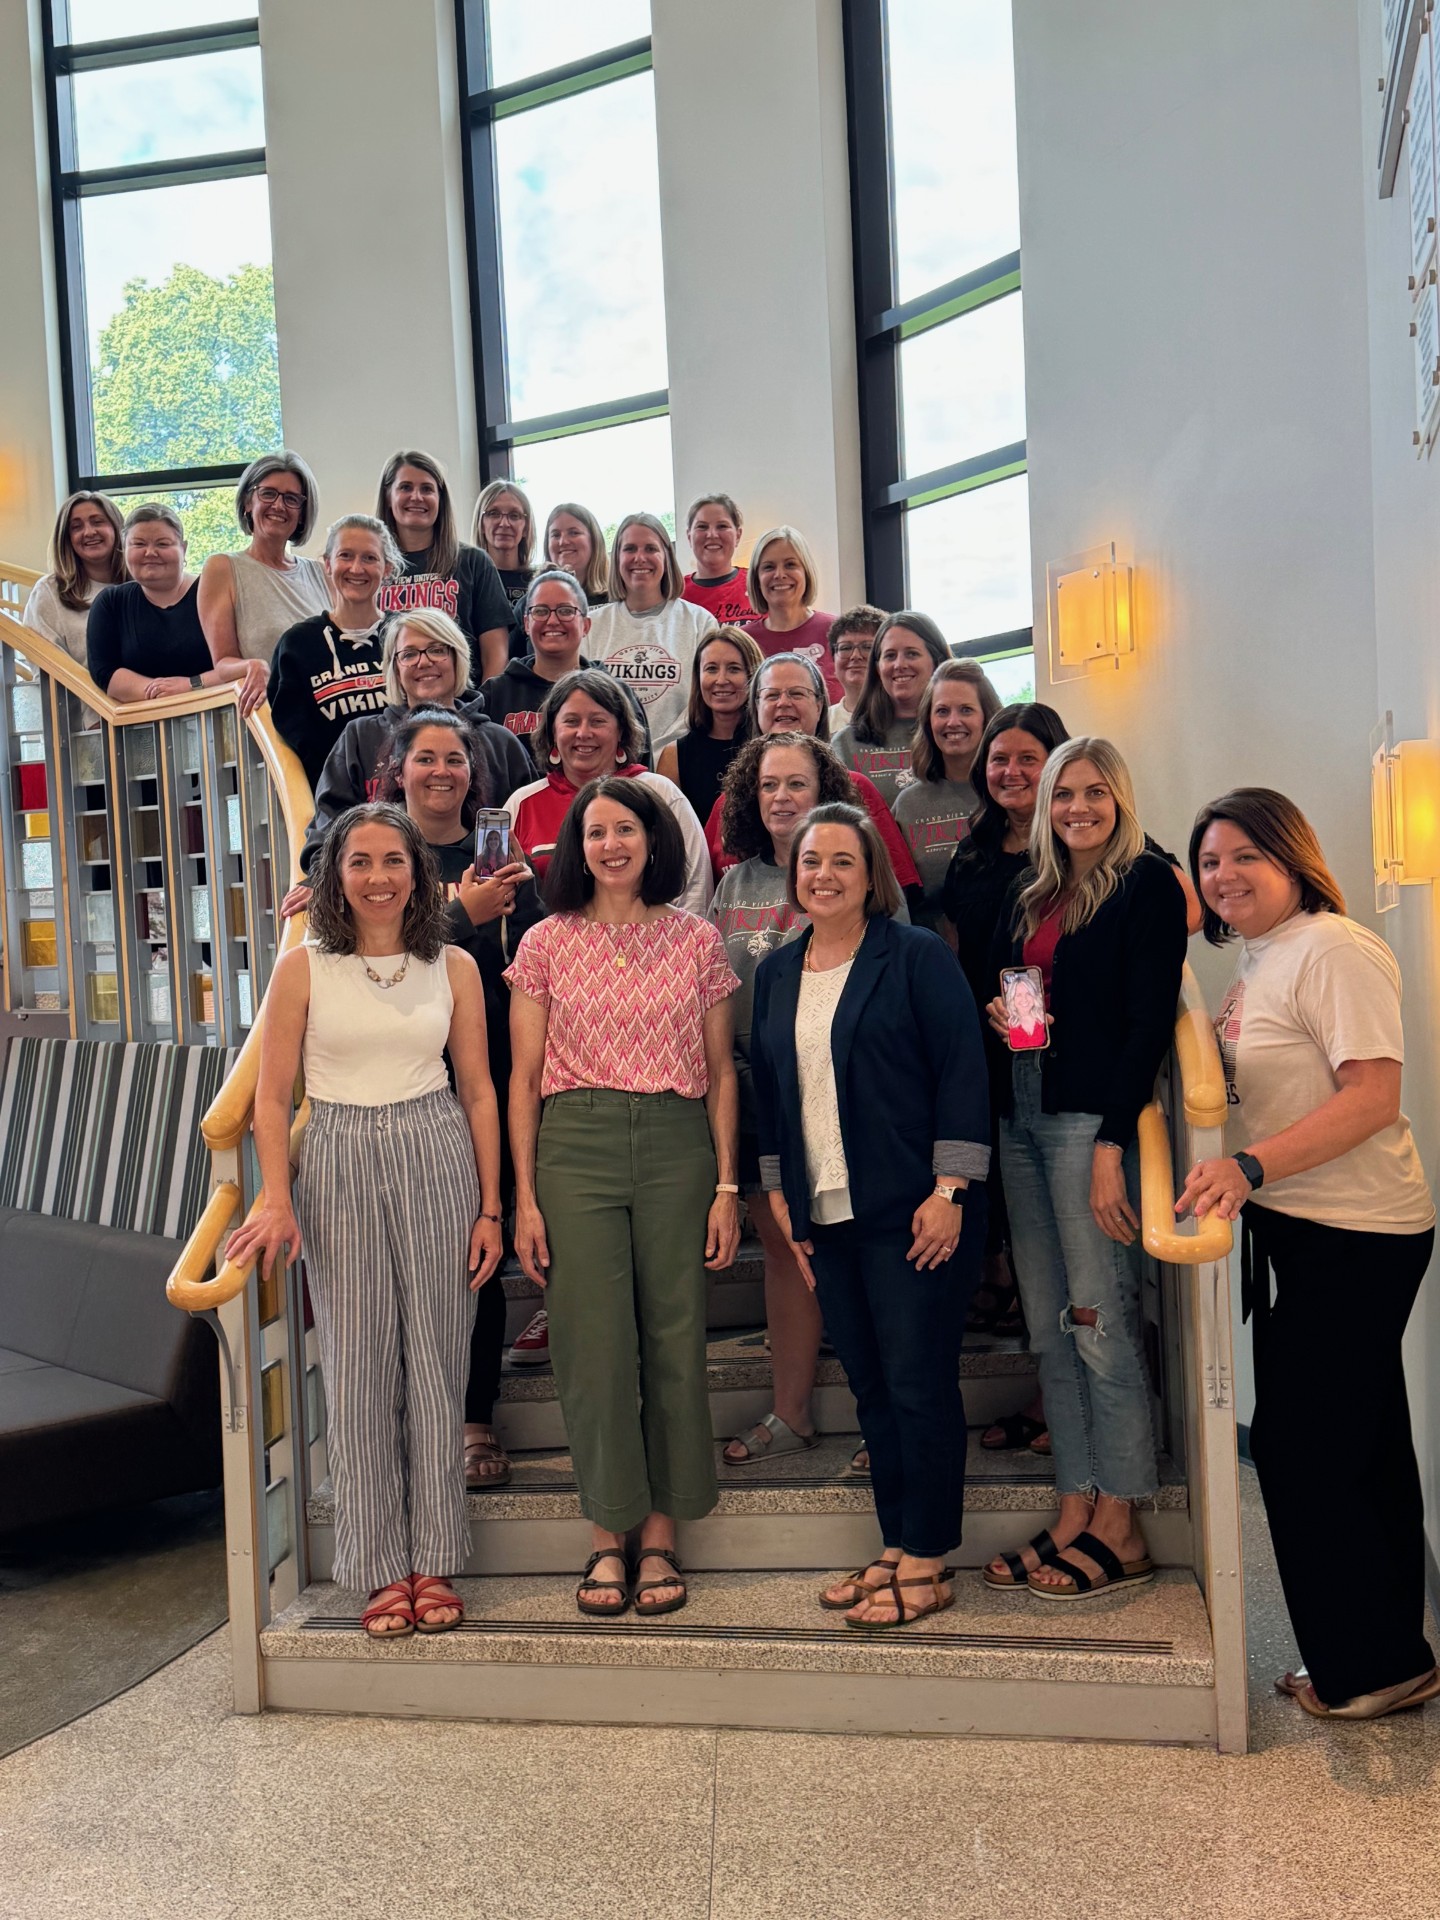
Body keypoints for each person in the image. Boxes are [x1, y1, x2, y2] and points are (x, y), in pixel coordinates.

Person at [1177, 789, 1438, 1721]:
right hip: (1307, 1224)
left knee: (1299, 1448)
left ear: (1293, 858)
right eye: (1211, 862)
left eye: (1246, 856)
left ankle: (1365, 1668)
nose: (1225, 876)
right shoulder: (1266, 955)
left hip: (1359, 1230)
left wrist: (1247, 1167)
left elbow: (1371, 1097)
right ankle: (1388, 1656)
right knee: (1363, 1444)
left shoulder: (1332, 948)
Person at [227, 802, 504, 1638]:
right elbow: (272, 1100)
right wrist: (276, 1195)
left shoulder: (451, 964)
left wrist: (491, 1206)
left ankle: (434, 1556)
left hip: (435, 1147)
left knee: (436, 1358)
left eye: (395, 860)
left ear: (420, 872)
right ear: (333, 877)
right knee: (353, 1366)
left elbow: (481, 1090)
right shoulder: (302, 969)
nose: (379, 877)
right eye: (360, 862)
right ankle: (379, 1564)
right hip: (340, 1153)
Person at [751, 803, 989, 1627]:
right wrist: (779, 1190)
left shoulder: (915, 956)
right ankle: (896, 1541)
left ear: (872, 872)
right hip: (827, 1212)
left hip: (916, 1211)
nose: (824, 875)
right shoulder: (780, 971)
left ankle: (929, 1553)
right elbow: (774, 1090)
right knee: (872, 1387)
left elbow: (964, 1070)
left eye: (842, 862)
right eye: (811, 861)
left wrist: (950, 1191)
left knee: (919, 1382)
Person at [507, 777, 740, 1618]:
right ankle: (609, 1535)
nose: (612, 845)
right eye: (596, 831)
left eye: (626, 829)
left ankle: (664, 1533)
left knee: (674, 1340)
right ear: (578, 845)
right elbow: (523, 1079)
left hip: (678, 1144)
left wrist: (725, 1183)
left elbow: (720, 1074)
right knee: (593, 1345)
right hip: (577, 1143)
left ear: (652, 840)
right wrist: (524, 1199)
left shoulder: (697, 941)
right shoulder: (542, 943)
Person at [983, 737, 1186, 1602]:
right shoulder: (1031, 889)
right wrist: (1002, 1012)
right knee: (1048, 1325)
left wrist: (1113, 1147)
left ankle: (1123, 1520)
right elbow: (1010, 982)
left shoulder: (1146, 884)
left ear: (1121, 798)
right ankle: (1075, 1501)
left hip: (1085, 1123)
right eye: (1065, 794)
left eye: (1096, 793)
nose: (1077, 809)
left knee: (1101, 1322)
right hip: (1020, 1105)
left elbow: (1147, 1025)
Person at [376, 708, 542, 1492]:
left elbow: (535, 960)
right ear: (398, 769)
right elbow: (362, 950)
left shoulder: (498, 855)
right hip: (399, 1079)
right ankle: (406, 1415)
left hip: (491, 1076)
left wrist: (512, 908)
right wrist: (458, 916)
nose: (441, 771)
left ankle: (475, 1416)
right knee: (409, 1260)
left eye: (455, 759)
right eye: (425, 758)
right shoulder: (374, 849)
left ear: (474, 775)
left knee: (482, 1245)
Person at [710, 732, 881, 1464]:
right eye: (768, 785)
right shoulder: (733, 884)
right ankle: (792, 1412)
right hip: (753, 1086)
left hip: (839, 1086)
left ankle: (890, 1413)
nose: (781, 798)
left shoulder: (850, 873)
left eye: (797, 785)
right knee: (783, 1247)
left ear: (826, 793)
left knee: (862, 1244)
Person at [943, 702, 1070, 1388]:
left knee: (1047, 1201)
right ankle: (998, 1280)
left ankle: (1041, 1344)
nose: (1012, 771)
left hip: (1040, 1039)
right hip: (977, 1030)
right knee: (993, 1171)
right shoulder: (974, 846)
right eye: (1000, 759)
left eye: (1029, 757)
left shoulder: (1076, 838)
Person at [288, 608, 532, 897]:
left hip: (487, 900)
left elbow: (529, 828)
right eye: (409, 654)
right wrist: (322, 880)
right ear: (395, 668)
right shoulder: (360, 737)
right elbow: (327, 830)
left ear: (457, 658)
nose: (424, 662)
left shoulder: (500, 743)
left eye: (436, 650)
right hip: (384, 897)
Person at [701, 653, 923, 905]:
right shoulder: (727, 803)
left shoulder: (857, 788)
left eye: (796, 693)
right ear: (755, 707)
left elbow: (896, 894)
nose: (783, 703)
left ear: (819, 705)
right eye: (772, 695)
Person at [504, 669, 711, 909]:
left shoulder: (660, 794)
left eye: (597, 721)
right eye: (571, 721)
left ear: (621, 730)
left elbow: (695, 887)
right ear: (552, 732)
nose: (583, 733)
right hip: (546, 944)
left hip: (656, 944)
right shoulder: (522, 803)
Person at [267, 514, 405, 792]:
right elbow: (294, 740)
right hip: (335, 805)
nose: (356, 568)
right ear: (327, 564)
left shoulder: (408, 636)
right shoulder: (297, 644)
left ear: (387, 568)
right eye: (346, 555)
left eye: (370, 558)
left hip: (407, 798)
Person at [88, 504, 265, 706]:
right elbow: (104, 670)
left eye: (163, 544)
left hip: (221, 715)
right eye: (138, 544)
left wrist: (190, 685)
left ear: (184, 548)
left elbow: (241, 662)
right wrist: (161, 693)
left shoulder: (215, 592)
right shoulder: (110, 603)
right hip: (142, 726)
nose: (150, 552)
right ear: (124, 549)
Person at [479, 569, 650, 766]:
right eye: (541, 611)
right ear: (526, 624)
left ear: (586, 625)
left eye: (566, 611)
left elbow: (640, 772)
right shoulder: (495, 694)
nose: (552, 621)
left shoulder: (618, 695)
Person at [199, 453, 328, 704]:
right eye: (268, 493)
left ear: (302, 513)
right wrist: (252, 665)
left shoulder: (321, 573)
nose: (279, 506)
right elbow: (223, 664)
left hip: (328, 717)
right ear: (248, 501)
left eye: (291, 499)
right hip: (269, 718)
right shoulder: (222, 568)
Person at [375, 450, 513, 683]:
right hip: (386, 708)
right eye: (405, 487)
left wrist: (481, 708)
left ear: (440, 498)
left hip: (461, 706)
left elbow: (496, 653)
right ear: (388, 496)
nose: (416, 497)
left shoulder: (473, 562)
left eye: (427, 489)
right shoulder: (370, 566)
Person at [587, 512, 717, 753]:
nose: (640, 558)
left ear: (666, 556)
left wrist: (663, 757)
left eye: (650, 549)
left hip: (679, 763)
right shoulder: (591, 626)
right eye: (630, 549)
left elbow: (703, 703)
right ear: (616, 558)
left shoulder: (700, 623)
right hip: (607, 766)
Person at [893, 660, 1001, 925]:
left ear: (987, 717)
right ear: (928, 721)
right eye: (942, 711)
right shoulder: (907, 805)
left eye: (966, 710)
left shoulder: (1006, 795)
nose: (953, 722)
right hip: (930, 952)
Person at [832, 611, 954, 808]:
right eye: (890, 656)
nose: (899, 665)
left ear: (937, 661)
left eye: (912, 654)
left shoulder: (960, 732)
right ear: (878, 668)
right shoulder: (846, 745)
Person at [656, 624, 762, 820]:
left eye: (734, 669)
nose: (721, 680)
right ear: (698, 677)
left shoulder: (771, 748)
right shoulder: (674, 757)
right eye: (711, 669)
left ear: (754, 676)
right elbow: (669, 835)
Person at [22, 490, 126, 664]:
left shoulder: (144, 583)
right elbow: (45, 666)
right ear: (67, 539)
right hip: (75, 691)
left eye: (97, 522)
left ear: (117, 528)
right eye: (76, 527)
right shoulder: (49, 591)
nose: (89, 532)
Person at [744, 525, 842, 702]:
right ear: (756, 579)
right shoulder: (744, 641)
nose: (780, 574)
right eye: (768, 567)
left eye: (790, 565)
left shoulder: (837, 632)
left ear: (806, 572)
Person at [681, 493, 756, 625]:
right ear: (689, 537)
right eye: (702, 527)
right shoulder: (675, 594)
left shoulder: (758, 584)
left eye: (722, 526)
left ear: (738, 536)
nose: (712, 535)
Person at [472, 478, 536, 629]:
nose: (504, 523)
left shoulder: (538, 583)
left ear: (526, 527)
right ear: (481, 523)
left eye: (514, 515)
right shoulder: (469, 582)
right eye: (494, 513)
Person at [826, 606, 884, 734]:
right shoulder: (823, 723)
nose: (855, 656)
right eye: (846, 648)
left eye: (867, 647)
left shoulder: (906, 718)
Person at [543, 502, 610, 607]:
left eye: (574, 533)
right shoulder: (532, 602)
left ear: (594, 540)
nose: (563, 542)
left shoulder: (619, 599)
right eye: (556, 535)